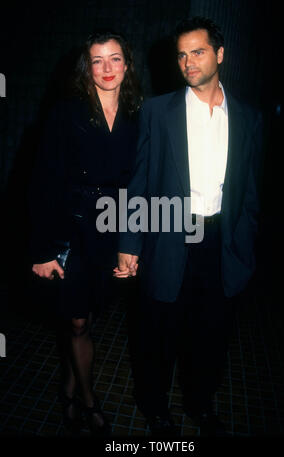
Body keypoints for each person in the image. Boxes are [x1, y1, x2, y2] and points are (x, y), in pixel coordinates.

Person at [114, 16, 264, 436]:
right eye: (181, 55)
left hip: (220, 242)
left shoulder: (249, 119)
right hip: (168, 235)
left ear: (219, 54)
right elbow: (139, 181)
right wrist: (130, 241)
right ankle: (155, 409)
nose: (188, 62)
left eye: (197, 52)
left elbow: (250, 193)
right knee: (158, 334)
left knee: (210, 335)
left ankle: (200, 405)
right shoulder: (157, 112)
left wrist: (244, 249)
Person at [30, 30, 141, 436]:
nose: (107, 68)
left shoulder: (138, 112)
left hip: (112, 230)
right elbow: (42, 179)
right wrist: (42, 249)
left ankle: (70, 381)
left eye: (115, 59)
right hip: (70, 228)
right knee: (77, 321)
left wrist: (134, 242)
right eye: (98, 60)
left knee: (91, 313)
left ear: (127, 64)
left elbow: (142, 183)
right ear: (87, 67)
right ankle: (87, 399)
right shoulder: (67, 111)